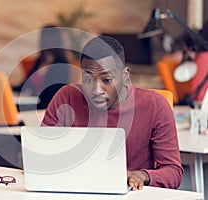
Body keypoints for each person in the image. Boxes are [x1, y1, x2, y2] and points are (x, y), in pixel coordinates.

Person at [41, 36, 183, 190]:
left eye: (107, 80)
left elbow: (173, 172)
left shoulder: (155, 105)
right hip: (75, 190)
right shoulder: (66, 96)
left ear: (125, 75)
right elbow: (43, 154)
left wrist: (142, 176)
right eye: (88, 80)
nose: (96, 90)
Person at [13, 25, 72, 109]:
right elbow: (24, 85)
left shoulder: (61, 63)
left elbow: (52, 93)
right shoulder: (40, 60)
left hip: (49, 106)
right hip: (35, 102)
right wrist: (5, 86)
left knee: (12, 109)